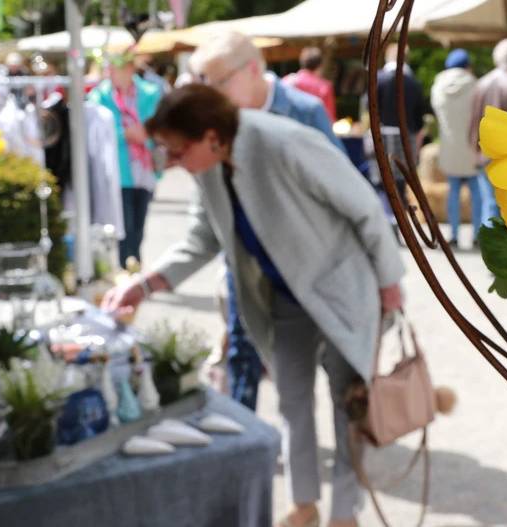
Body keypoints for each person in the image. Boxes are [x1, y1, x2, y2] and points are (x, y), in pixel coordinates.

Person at [102, 84, 404, 527]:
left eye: (177, 151)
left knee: (349, 405)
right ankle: (304, 504)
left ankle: (345, 513)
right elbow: (200, 241)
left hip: (342, 291)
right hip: (281, 297)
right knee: (291, 402)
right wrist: (144, 286)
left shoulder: (284, 140)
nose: (171, 163)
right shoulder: (208, 168)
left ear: (210, 136)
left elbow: (364, 207)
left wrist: (389, 283)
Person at [188, 30, 343, 411]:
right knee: (243, 355)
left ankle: (345, 450)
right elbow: (206, 216)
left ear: (253, 69)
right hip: (245, 265)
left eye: (220, 82)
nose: (213, 93)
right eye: (206, 83)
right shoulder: (216, 122)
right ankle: (249, 445)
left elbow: (343, 187)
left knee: (328, 362)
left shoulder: (304, 111)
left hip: (305, 269)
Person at [87, 49, 163, 266]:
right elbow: (97, 132)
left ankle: (135, 263)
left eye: (116, 69)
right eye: (109, 69)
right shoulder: (100, 95)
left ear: (129, 69)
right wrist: (126, 134)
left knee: (139, 224)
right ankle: (126, 266)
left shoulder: (149, 92)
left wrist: (146, 135)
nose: (111, 74)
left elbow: (158, 124)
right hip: (117, 170)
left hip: (144, 169)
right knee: (124, 225)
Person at [469, 38, 507, 230]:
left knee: (488, 202)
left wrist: (475, 149)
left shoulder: (481, 84)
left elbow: (473, 120)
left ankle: (486, 243)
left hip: (483, 152)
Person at [430, 48, 482, 247]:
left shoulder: (438, 86)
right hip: (471, 148)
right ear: (467, 65)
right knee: (476, 193)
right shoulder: (475, 85)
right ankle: (478, 234)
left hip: (449, 148)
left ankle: (453, 234)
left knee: (453, 191)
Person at [373, 43, 431, 202]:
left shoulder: (378, 79)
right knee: (403, 177)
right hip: (408, 135)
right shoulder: (414, 83)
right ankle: (401, 213)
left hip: (382, 133)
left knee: (383, 177)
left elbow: (369, 109)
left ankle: (387, 215)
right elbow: (419, 117)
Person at [284, 46, 337, 121]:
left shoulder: (287, 81)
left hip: (291, 127)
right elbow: (329, 117)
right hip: (315, 129)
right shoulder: (324, 86)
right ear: (320, 66)